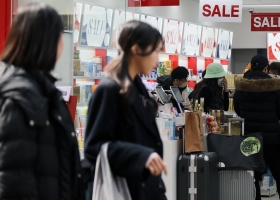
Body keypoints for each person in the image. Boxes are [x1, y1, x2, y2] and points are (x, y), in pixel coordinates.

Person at [0, 3, 83, 200]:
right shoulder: (20, 96)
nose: (63, 43)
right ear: (46, 40)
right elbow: (14, 180)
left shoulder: (43, 90)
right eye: (60, 36)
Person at [84, 21, 167, 200]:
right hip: (122, 190)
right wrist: (141, 156)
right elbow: (94, 147)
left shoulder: (139, 90)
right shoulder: (110, 89)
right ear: (136, 49)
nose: (157, 60)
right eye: (155, 51)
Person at [234, 55, 280, 200]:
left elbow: (238, 111)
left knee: (253, 174)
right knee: (279, 173)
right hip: (271, 138)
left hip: (250, 136)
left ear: (251, 66)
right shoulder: (275, 86)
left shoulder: (241, 87)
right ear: (267, 68)